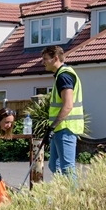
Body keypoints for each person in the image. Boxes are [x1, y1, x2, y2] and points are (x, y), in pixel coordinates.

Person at [41, 45, 84, 180]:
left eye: (45, 59)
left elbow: (68, 105)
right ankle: (61, 194)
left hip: (65, 127)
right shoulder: (61, 75)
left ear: (55, 58)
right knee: (54, 165)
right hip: (60, 129)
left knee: (67, 167)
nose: (42, 62)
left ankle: (72, 198)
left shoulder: (64, 76)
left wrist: (52, 127)